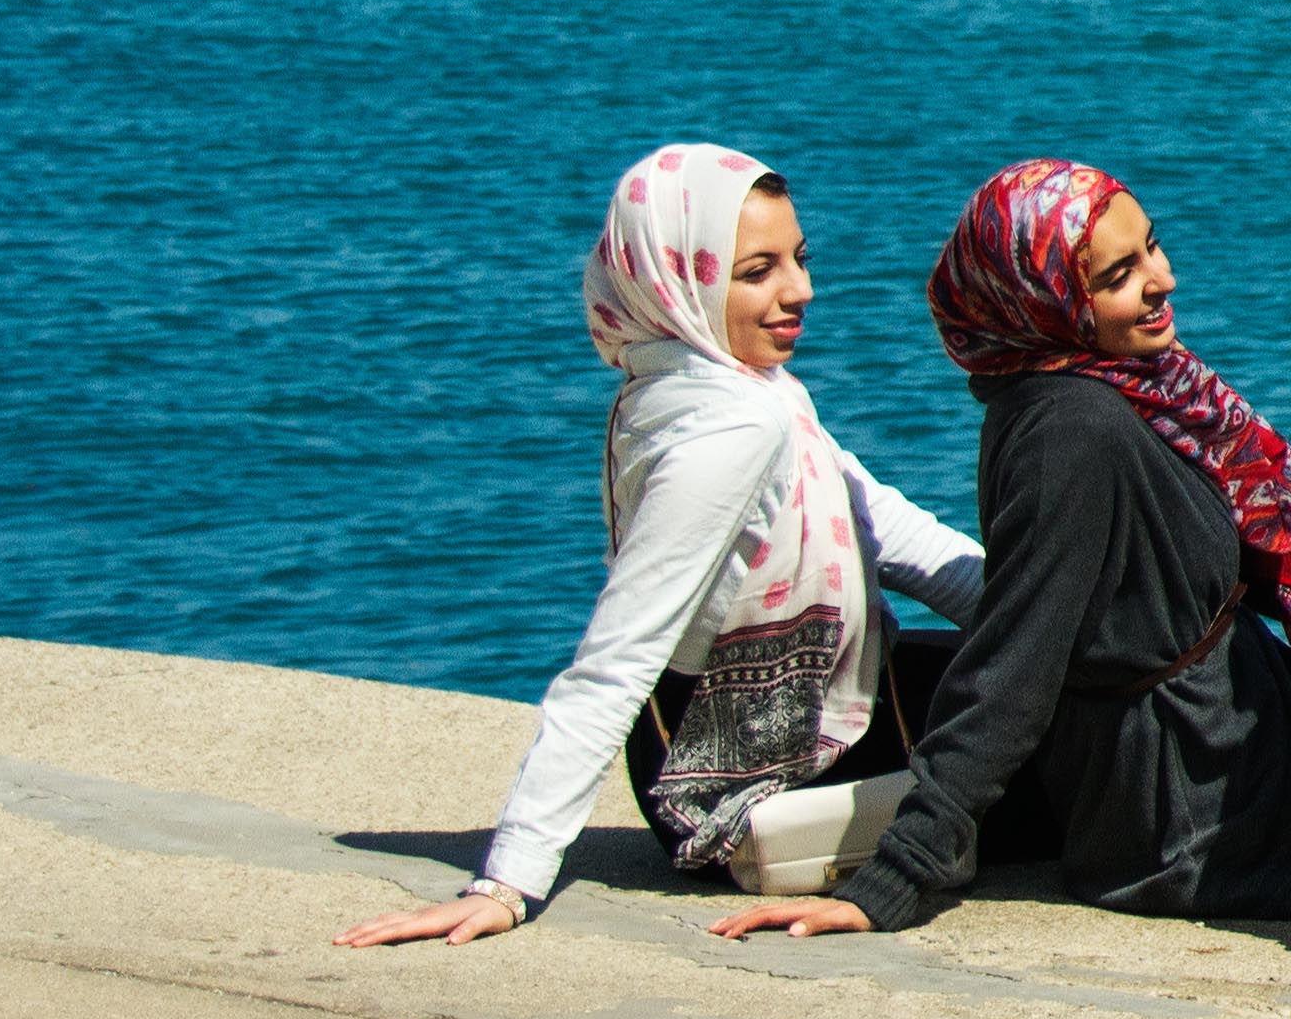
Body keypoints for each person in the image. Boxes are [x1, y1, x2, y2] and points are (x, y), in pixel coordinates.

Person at [709, 159, 1291, 943]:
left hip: (1240, 732)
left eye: (1152, 248)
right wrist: (893, 877)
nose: (1161, 279)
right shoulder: (1072, 432)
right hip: (1205, 807)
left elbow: (1268, 557)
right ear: (1049, 296)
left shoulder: (1141, 391)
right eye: (1118, 274)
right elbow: (1013, 668)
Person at [339, 144, 987, 948]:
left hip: (698, 740)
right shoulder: (733, 426)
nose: (801, 289)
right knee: (1078, 727)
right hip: (764, 779)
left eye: (798, 258)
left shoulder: (693, 385)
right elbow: (617, 653)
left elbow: (886, 529)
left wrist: (1042, 615)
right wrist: (509, 879)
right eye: (757, 271)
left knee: (1035, 671)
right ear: (682, 278)